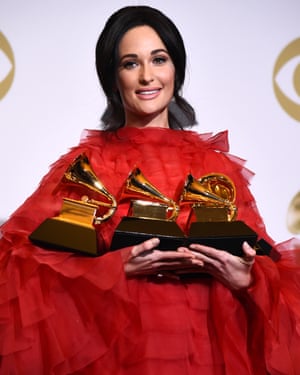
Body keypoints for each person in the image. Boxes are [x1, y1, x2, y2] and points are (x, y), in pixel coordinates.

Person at [1, 5, 300, 374]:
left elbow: (269, 269)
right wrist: (115, 269)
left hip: (208, 353)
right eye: (130, 63)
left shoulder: (216, 167)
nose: (147, 76)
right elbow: (17, 266)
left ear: (176, 69)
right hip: (122, 356)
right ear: (112, 78)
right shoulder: (86, 166)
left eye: (159, 59)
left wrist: (247, 279)